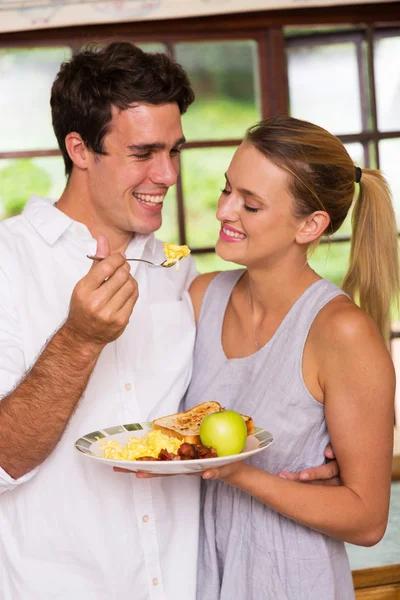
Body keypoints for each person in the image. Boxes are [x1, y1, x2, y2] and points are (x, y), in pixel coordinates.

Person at [0, 42, 339, 598]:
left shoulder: (183, 279)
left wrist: (314, 458)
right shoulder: (9, 263)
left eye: (175, 150)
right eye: (144, 152)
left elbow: (228, 409)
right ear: (80, 148)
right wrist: (79, 340)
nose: (168, 174)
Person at [183, 115, 398, 599]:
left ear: (311, 225)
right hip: (200, 575)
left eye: (251, 204)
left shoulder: (341, 332)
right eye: (227, 190)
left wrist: (241, 474)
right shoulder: (201, 298)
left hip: (290, 582)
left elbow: (367, 520)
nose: (224, 211)